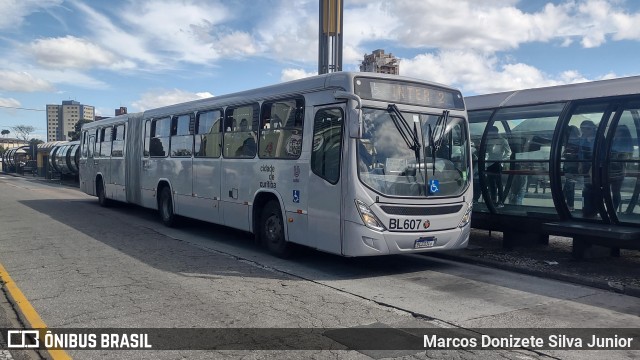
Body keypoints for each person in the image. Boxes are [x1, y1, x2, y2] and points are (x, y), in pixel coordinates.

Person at [485, 126, 511, 207]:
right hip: (489, 163)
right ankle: (493, 200)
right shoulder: (488, 140)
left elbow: (509, 152)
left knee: (499, 183)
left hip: (497, 163)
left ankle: (500, 201)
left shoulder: (503, 140)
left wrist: (501, 160)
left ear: (496, 132)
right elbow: (486, 151)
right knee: (491, 183)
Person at [610, 125, 633, 213]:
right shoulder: (612, 141)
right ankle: (611, 210)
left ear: (623, 133)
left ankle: (613, 211)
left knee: (615, 191)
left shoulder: (625, 144)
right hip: (610, 169)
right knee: (611, 191)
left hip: (618, 170)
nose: (615, 133)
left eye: (618, 131)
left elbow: (625, 157)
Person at [579, 120, 597, 217]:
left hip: (595, 166)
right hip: (586, 165)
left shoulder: (598, 138)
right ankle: (587, 209)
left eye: (584, 130)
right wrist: (580, 164)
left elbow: (599, 155)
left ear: (591, 129)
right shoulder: (583, 139)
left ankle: (593, 210)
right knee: (587, 187)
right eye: (582, 130)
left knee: (592, 188)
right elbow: (580, 152)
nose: (583, 132)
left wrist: (592, 168)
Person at [562, 125, 581, 211]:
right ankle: (567, 204)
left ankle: (570, 205)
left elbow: (575, 155)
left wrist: (567, 154)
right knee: (568, 186)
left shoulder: (575, 142)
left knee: (569, 186)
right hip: (570, 166)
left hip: (572, 166)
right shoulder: (575, 141)